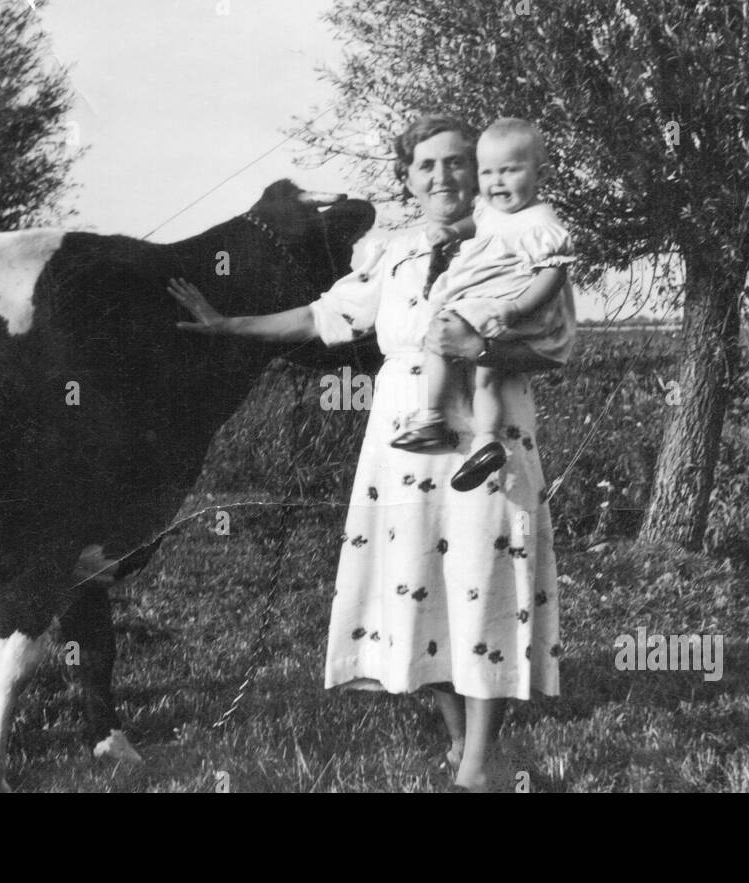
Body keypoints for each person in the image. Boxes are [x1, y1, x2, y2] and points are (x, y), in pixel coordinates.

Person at [167, 113, 568, 792]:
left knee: (488, 581)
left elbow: (556, 346)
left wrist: (484, 348)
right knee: (424, 586)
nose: (443, 176)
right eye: (426, 165)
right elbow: (324, 316)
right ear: (407, 180)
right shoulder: (393, 254)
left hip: (487, 438)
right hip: (403, 442)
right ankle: (459, 744)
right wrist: (228, 323)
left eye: (457, 162)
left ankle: (477, 766)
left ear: (478, 171)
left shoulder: (518, 235)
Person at [390, 118, 577, 495]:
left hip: (504, 310)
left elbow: (553, 272)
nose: (498, 182)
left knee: (439, 337)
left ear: (540, 173)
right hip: (491, 313)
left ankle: (431, 416)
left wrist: (517, 308)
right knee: (485, 377)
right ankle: (486, 441)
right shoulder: (489, 211)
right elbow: (472, 224)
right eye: (489, 172)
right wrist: (451, 232)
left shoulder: (540, 222)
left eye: (510, 171)